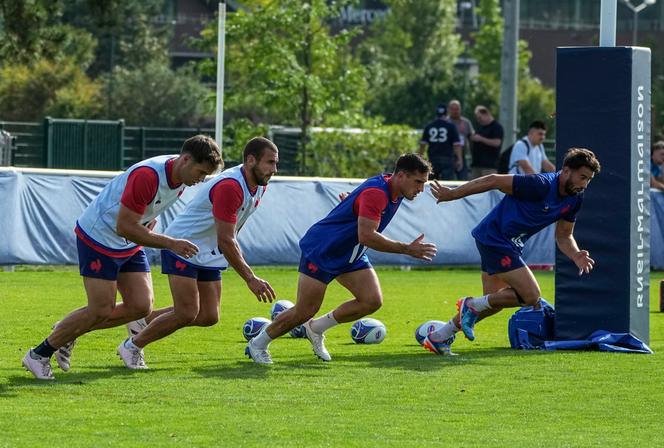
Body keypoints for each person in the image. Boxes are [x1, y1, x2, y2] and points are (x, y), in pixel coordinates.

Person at [23, 135, 222, 379]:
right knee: (100, 310)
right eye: (201, 172)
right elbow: (124, 226)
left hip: (127, 241)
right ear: (186, 159)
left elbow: (145, 212)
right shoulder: (148, 175)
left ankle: (68, 330)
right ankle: (38, 355)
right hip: (99, 239)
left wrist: (150, 221)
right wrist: (171, 243)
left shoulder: (182, 179)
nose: (200, 180)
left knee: (141, 306)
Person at [246, 153, 437, 364]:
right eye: (418, 182)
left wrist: (352, 202)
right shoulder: (378, 192)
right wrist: (407, 249)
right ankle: (258, 344)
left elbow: (359, 203)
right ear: (401, 175)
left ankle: (315, 328)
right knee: (304, 310)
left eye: (423, 183)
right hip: (324, 250)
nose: (421, 189)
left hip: (350, 254)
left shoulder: (392, 187)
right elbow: (367, 235)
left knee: (371, 300)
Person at [117, 137, 279, 368]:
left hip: (208, 253)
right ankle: (132, 346)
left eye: (275, 163)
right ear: (250, 160)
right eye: (270, 163)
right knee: (187, 312)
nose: (274, 170)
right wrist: (250, 278)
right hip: (183, 246)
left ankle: (143, 319)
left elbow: (233, 229)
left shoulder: (259, 186)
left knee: (208, 316)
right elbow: (226, 238)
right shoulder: (230, 186)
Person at [423, 148, 601, 355]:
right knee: (531, 296)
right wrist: (453, 194)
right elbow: (493, 180)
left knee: (492, 302)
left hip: (506, 243)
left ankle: (439, 336)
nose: (584, 184)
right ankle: (470, 305)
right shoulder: (540, 185)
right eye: (582, 177)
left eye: (589, 179)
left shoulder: (575, 199)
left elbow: (563, 235)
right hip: (495, 238)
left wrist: (575, 254)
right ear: (566, 170)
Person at [418, 104, 462, 180]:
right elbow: (456, 145)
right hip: (447, 158)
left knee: (431, 184)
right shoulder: (451, 126)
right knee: (447, 184)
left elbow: (423, 144)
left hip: (432, 158)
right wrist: (459, 159)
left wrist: (420, 158)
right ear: (446, 113)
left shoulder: (429, 126)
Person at [470, 106, 504, 179]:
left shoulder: (496, 127)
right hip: (476, 165)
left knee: (488, 189)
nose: (478, 120)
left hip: (489, 167)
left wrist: (481, 139)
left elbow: (497, 143)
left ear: (486, 114)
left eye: (480, 117)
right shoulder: (480, 127)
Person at [447, 99, 474, 180]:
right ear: (449, 110)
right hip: (448, 155)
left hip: (463, 155)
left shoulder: (466, 122)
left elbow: (471, 137)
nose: (455, 111)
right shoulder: (445, 122)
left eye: (457, 109)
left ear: (460, 109)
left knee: (463, 179)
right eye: (453, 109)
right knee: (448, 180)